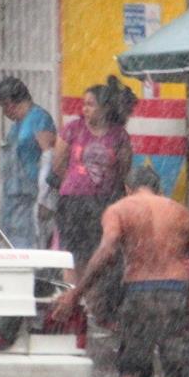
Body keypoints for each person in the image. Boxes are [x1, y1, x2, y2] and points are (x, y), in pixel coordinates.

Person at [53, 165, 189, 377]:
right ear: (160, 189)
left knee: (132, 359)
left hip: (139, 291)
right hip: (175, 291)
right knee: (180, 360)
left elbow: (107, 250)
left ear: (127, 188)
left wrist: (77, 292)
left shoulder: (120, 210)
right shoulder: (180, 212)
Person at [52, 76, 136, 283]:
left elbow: (123, 169)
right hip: (73, 202)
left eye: (90, 104)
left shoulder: (118, 135)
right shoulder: (73, 129)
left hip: (103, 203)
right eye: (84, 104)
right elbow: (58, 164)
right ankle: (73, 298)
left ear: (105, 108)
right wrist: (77, 183)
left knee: (100, 253)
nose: (85, 109)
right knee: (72, 254)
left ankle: (91, 301)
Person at [0, 77, 57, 249]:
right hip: (12, 200)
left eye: (3, 106)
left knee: (30, 247)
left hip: (31, 198)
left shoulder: (39, 119)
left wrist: (45, 199)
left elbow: (49, 158)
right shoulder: (17, 126)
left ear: (9, 103)